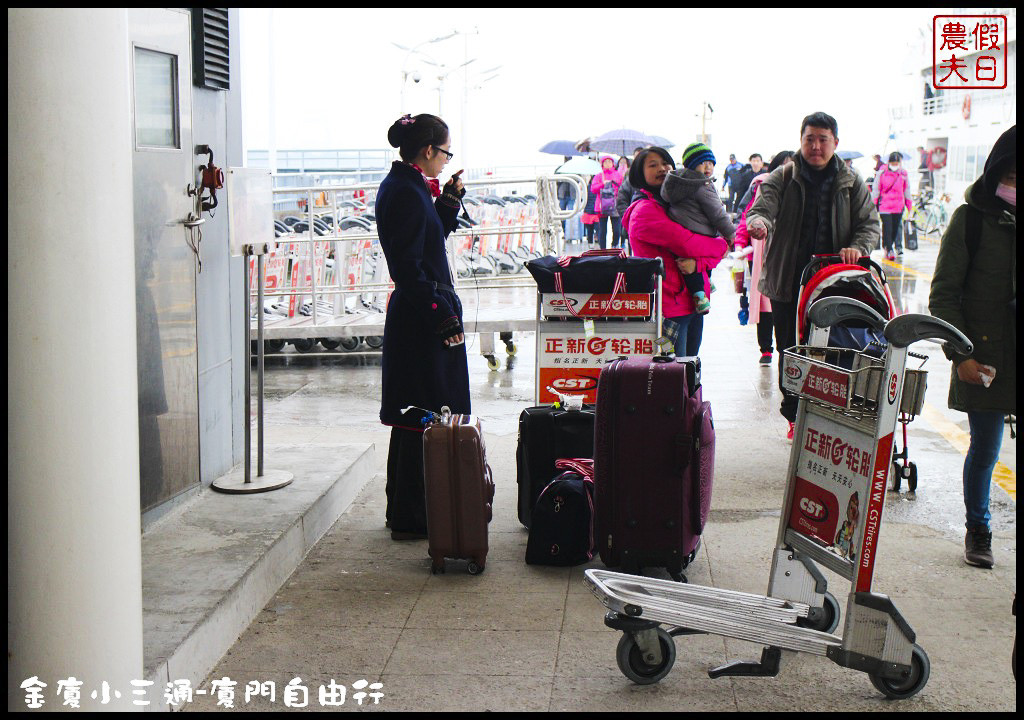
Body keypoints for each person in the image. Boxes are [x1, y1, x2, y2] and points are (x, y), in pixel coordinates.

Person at [746, 112, 880, 440]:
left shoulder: (851, 181)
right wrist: (759, 223)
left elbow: (870, 223)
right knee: (791, 350)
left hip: (837, 284)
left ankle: (828, 414)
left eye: (823, 139)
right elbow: (762, 208)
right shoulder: (783, 176)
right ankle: (794, 414)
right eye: (810, 139)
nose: (816, 146)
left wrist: (857, 246)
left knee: (836, 349)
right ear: (801, 140)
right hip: (787, 281)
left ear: (836, 143)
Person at [377, 113, 469, 541]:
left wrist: (447, 204)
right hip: (419, 318)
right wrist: (441, 315)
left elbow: (427, 240)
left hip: (419, 311)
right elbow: (409, 267)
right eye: (446, 153)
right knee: (422, 416)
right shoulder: (405, 193)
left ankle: (410, 510)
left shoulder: (409, 187)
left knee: (418, 415)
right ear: (429, 150)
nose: (448, 162)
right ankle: (414, 515)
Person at [928, 125, 1016, 569]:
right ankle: (978, 530)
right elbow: (944, 295)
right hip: (986, 358)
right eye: (1014, 176)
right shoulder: (971, 219)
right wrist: (960, 354)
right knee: (985, 450)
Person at [621, 147, 729, 357]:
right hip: (667, 308)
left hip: (691, 303)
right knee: (671, 371)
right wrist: (723, 246)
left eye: (665, 163)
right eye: (653, 165)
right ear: (639, 174)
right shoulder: (645, 211)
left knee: (689, 369)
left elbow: (699, 251)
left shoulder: (674, 204)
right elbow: (687, 244)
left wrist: (701, 262)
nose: (662, 168)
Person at [734, 150, 795, 365]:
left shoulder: (803, 190)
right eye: (784, 166)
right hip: (761, 251)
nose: (789, 170)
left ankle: (787, 349)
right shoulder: (762, 186)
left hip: (789, 255)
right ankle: (766, 348)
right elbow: (748, 216)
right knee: (764, 301)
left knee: (784, 303)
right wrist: (741, 241)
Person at [660, 142, 736, 314]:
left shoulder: (675, 182)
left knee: (690, 265)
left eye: (711, 163)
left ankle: (704, 285)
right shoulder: (702, 186)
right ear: (693, 165)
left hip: (682, 231)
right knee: (696, 263)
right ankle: (700, 297)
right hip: (700, 232)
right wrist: (731, 233)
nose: (708, 166)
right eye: (703, 163)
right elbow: (718, 213)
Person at [872, 151, 913, 260]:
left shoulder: (903, 174)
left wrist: (909, 207)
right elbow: (876, 189)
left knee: (895, 228)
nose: (895, 166)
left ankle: (889, 246)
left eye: (896, 163)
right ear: (889, 162)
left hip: (898, 206)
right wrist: (873, 204)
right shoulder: (882, 172)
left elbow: (907, 190)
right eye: (893, 163)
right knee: (887, 227)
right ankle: (889, 249)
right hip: (885, 206)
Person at [590, 156, 625, 249]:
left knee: (617, 230)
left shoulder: (618, 175)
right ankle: (603, 249)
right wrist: (603, 184)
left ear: (613, 163)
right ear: (602, 164)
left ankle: (614, 245)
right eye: (606, 162)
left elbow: (623, 188)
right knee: (602, 230)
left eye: (610, 162)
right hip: (602, 206)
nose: (608, 164)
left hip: (615, 205)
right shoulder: (598, 176)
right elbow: (593, 189)